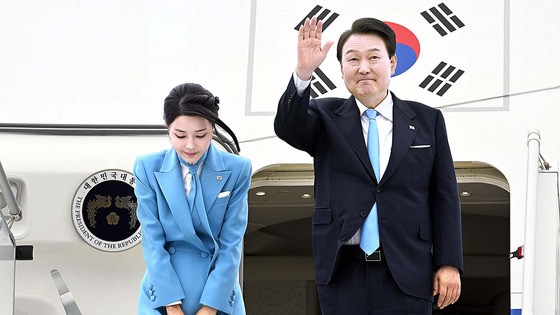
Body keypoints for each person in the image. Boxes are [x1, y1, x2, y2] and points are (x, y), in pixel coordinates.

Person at [274, 16, 463, 314]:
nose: (363, 67)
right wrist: (303, 72)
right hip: (342, 270)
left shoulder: (428, 120)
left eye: (373, 57)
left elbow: (445, 197)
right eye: (353, 59)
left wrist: (449, 262)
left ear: (392, 63)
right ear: (341, 69)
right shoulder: (325, 115)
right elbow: (288, 128)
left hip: (409, 269)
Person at [134, 83, 251, 315]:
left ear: (213, 129)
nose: (190, 145)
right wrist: (171, 306)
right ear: (168, 129)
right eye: (180, 135)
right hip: (164, 291)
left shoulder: (238, 169)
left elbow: (231, 243)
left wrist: (210, 308)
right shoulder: (147, 168)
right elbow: (152, 242)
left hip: (218, 292)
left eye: (201, 135)